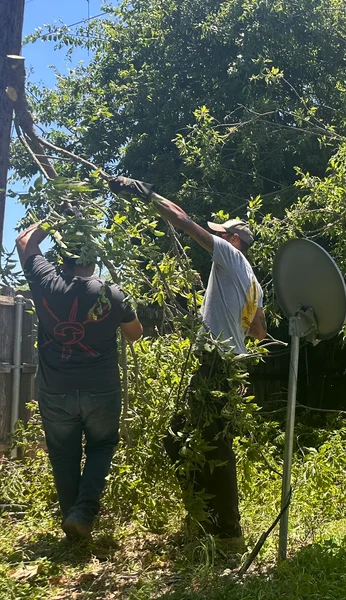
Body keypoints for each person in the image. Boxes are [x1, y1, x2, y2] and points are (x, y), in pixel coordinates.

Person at [108, 176, 266, 547]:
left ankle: (226, 531)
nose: (216, 238)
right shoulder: (253, 281)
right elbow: (259, 330)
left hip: (216, 366)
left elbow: (184, 221)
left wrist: (146, 194)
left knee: (201, 444)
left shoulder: (231, 255)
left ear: (232, 239)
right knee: (193, 439)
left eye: (221, 234)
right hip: (230, 366)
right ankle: (208, 519)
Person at [15, 221, 143, 540]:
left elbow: (23, 240)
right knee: (102, 445)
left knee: (63, 455)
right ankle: (83, 513)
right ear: (94, 259)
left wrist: (56, 215)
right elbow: (134, 335)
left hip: (56, 391)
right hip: (102, 389)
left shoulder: (44, 279)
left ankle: (73, 522)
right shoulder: (111, 293)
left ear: (63, 257)